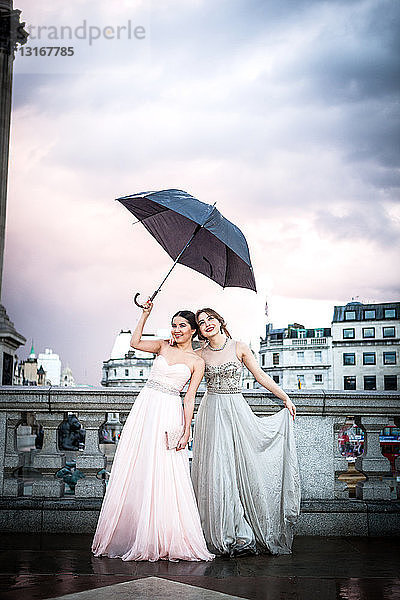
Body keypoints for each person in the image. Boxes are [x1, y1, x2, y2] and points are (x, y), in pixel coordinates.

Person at [92, 302, 214, 562]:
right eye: (174, 324)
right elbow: (135, 342)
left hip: (170, 412)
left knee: (166, 469)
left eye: (182, 325)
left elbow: (190, 398)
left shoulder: (197, 361)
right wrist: (144, 313)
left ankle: (162, 534)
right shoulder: (161, 345)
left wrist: (185, 430)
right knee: (138, 464)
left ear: (193, 331)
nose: (177, 329)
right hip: (145, 409)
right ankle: (135, 533)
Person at [191, 308, 301, 557]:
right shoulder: (199, 354)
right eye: (201, 322)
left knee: (239, 469)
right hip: (211, 412)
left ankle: (242, 535)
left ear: (221, 321)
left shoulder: (239, 347)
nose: (207, 324)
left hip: (236, 410)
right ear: (199, 330)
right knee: (217, 471)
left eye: (211, 319)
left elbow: (260, 375)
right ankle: (223, 534)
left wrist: (285, 397)